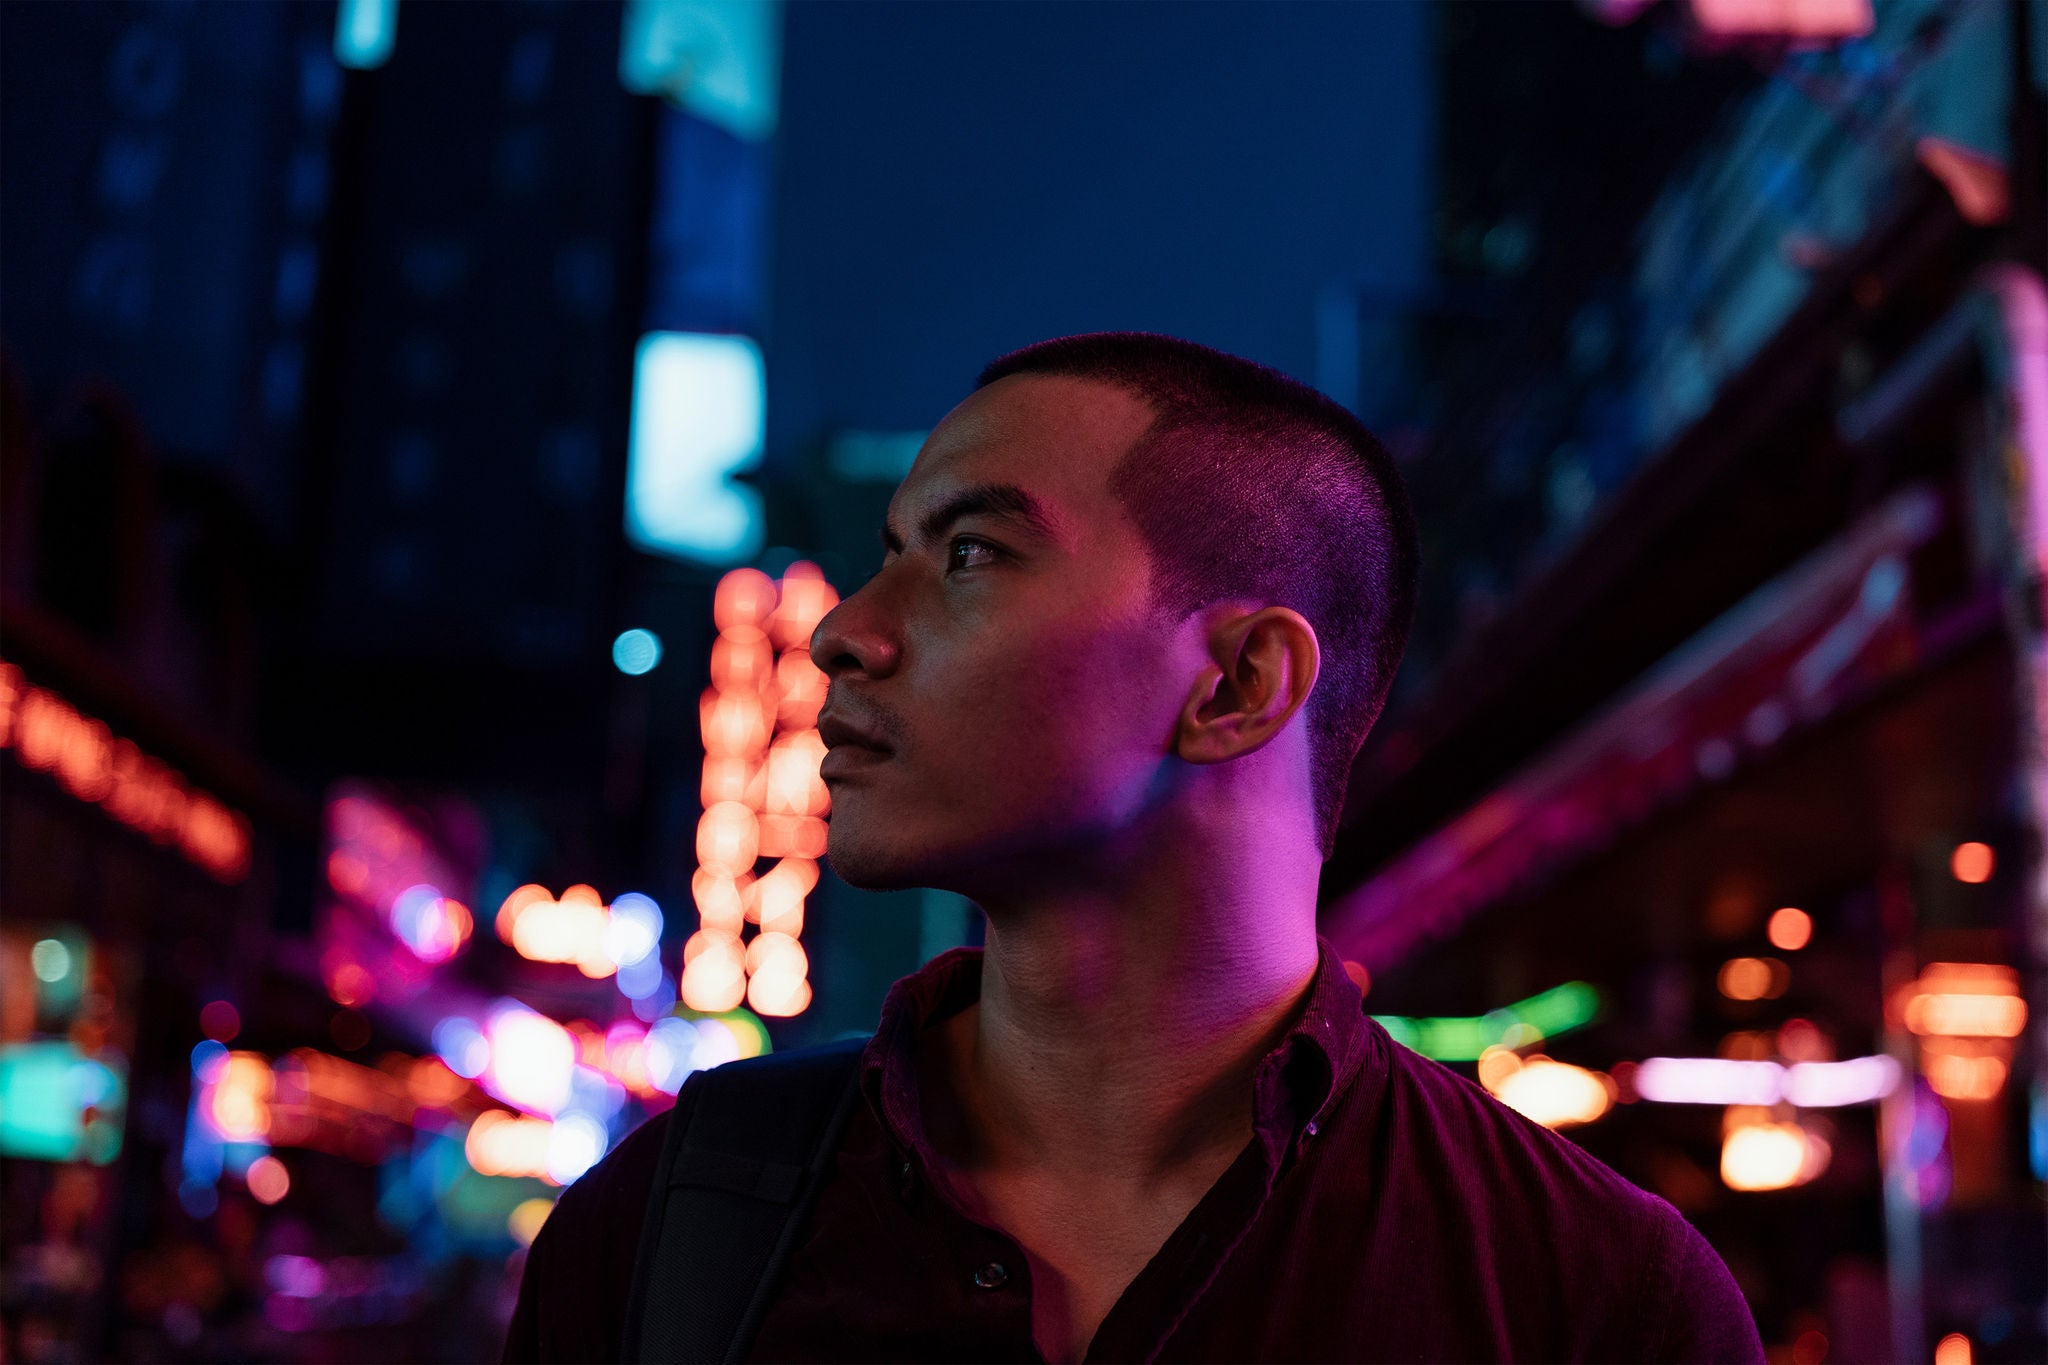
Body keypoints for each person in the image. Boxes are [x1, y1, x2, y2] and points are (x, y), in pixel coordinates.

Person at [504, 333, 1763, 1364]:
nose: (843, 634)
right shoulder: (672, 1227)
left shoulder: (1595, 1304)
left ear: (1236, 686)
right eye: (887, 555)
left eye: (971, 555)